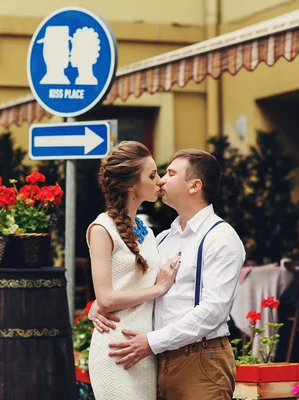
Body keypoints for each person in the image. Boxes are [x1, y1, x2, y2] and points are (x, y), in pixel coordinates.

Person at [90, 149, 245, 399]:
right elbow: (136, 285)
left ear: (194, 185)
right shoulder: (161, 239)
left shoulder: (221, 238)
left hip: (200, 359)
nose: (161, 180)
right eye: (158, 174)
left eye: (170, 173)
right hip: (155, 361)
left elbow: (214, 310)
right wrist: (100, 304)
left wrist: (151, 342)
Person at [86, 141, 182, 400]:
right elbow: (106, 298)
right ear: (131, 185)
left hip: (143, 352)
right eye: (152, 176)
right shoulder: (101, 229)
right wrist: (158, 288)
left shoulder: (148, 232)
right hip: (115, 349)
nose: (160, 181)